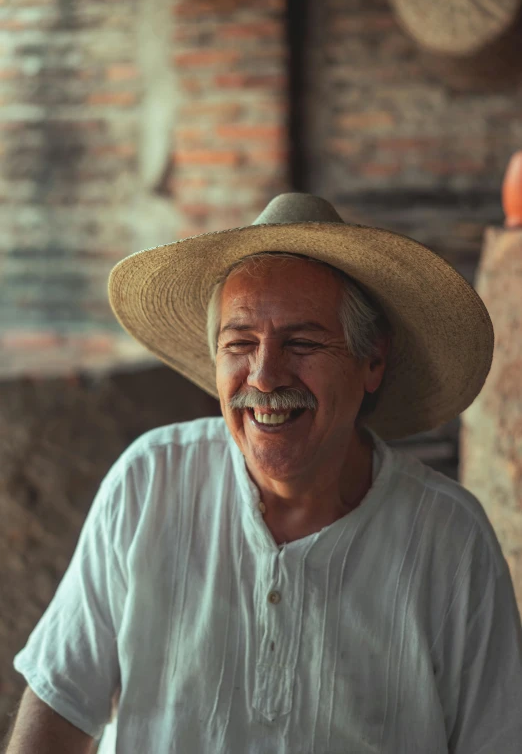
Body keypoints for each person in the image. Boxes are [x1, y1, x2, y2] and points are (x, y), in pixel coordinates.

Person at [5, 193, 522, 753]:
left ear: (371, 360)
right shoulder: (150, 481)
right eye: (240, 344)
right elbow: (58, 705)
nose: (266, 376)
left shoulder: (450, 539)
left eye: (302, 343)